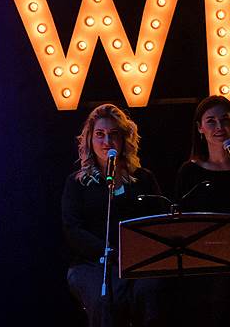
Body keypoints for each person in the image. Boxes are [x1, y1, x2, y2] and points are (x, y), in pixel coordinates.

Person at [61, 103, 165, 327]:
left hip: (138, 262)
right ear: (90, 139)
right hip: (92, 263)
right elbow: (73, 230)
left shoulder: (143, 179)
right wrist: (108, 251)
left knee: (150, 291)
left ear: (124, 139)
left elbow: (159, 221)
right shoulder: (77, 183)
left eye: (113, 134)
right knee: (104, 299)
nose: (106, 141)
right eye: (100, 134)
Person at [173, 95, 230, 326]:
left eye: (225, 120)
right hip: (203, 256)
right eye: (211, 121)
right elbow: (182, 220)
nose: (219, 127)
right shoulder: (190, 171)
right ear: (200, 128)